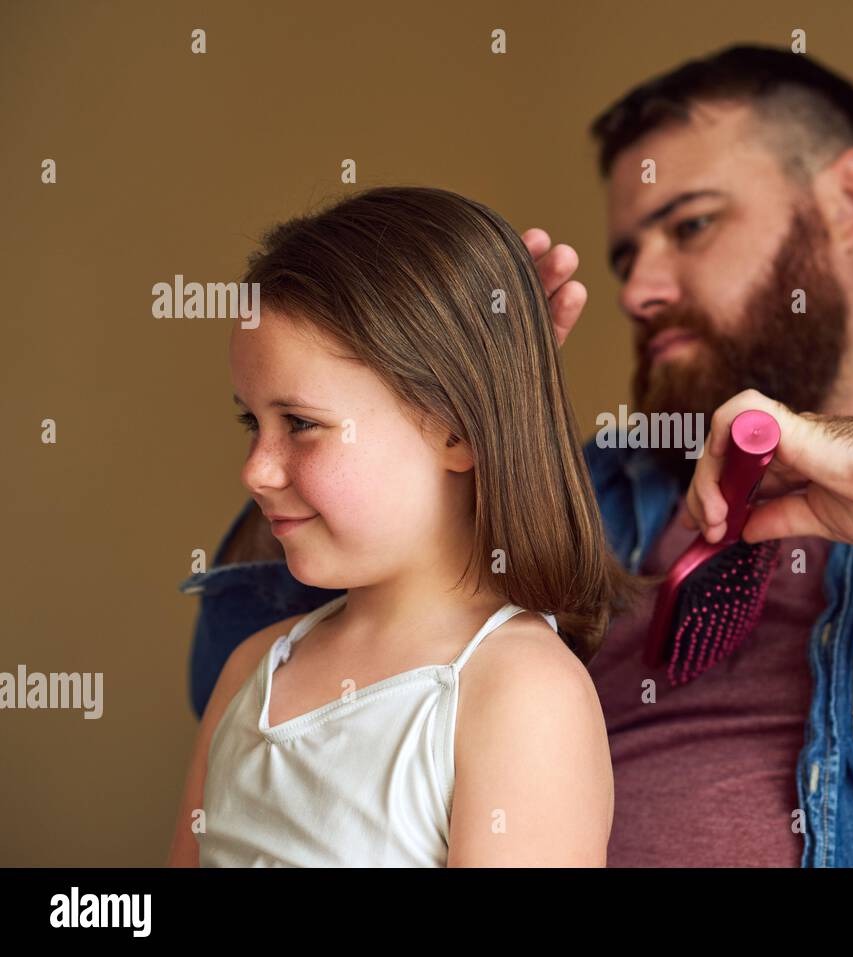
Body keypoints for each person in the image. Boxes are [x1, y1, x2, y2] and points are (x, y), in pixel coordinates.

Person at [181, 45, 853, 866]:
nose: (639, 288)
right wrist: (413, 401)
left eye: (691, 226)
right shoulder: (588, 497)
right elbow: (244, 686)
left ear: (848, 201)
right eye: (626, 251)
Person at [167, 186, 640, 867]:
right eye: (253, 422)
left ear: (457, 428)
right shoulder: (251, 669)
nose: (256, 470)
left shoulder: (522, 696)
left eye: (300, 423)